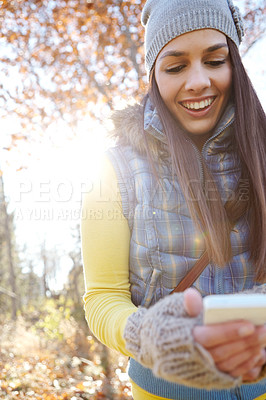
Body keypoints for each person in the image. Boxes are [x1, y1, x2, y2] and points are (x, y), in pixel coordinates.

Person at [81, 0, 266, 398]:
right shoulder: (115, 170)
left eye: (215, 60)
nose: (198, 80)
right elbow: (102, 298)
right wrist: (146, 333)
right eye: (176, 66)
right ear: (154, 75)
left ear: (235, 64)